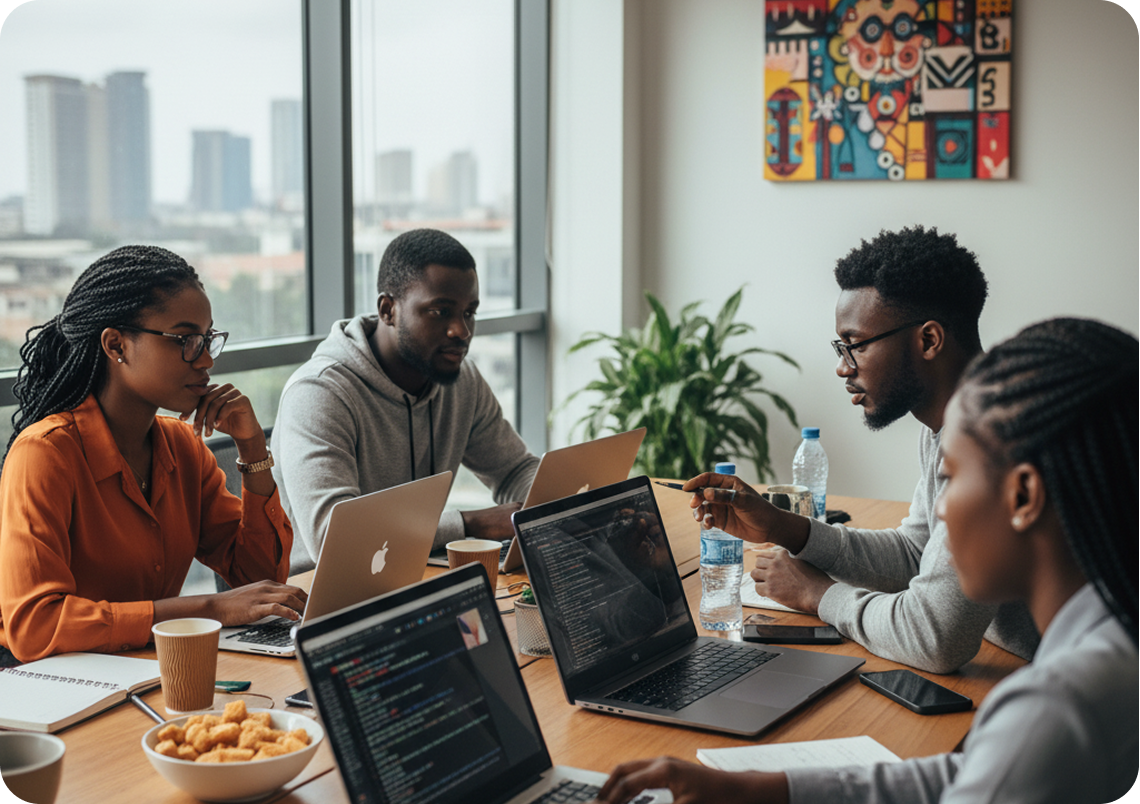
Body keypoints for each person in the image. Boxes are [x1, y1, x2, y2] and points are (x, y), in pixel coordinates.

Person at [595, 317, 1139, 804]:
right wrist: (759, 790)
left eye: (952, 478)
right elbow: (964, 774)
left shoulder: (1051, 710)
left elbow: (943, 644)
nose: (941, 509)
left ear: (1023, 497)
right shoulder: (1108, 649)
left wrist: (818, 595)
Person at [684, 227, 1039, 672]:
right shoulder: (950, 422)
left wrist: (818, 595)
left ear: (929, 340)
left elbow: (935, 636)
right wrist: (786, 528)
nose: (842, 366)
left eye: (856, 345)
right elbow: (917, 553)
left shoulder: (995, 439)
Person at [0, 245, 306, 665]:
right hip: (51, 686)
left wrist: (252, 448)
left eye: (207, 339)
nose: (206, 360)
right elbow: (35, 626)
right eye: (186, 340)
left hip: (148, 670)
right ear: (116, 345)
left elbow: (259, 581)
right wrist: (207, 609)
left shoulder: (183, 447)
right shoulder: (45, 454)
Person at [272, 228, 539, 572]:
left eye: (469, 312)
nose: (462, 331)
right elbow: (334, 538)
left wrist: (553, 502)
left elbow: (515, 470)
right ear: (388, 310)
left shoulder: (461, 380)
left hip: (415, 574)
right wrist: (471, 524)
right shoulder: (319, 393)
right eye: (441, 312)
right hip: (318, 597)